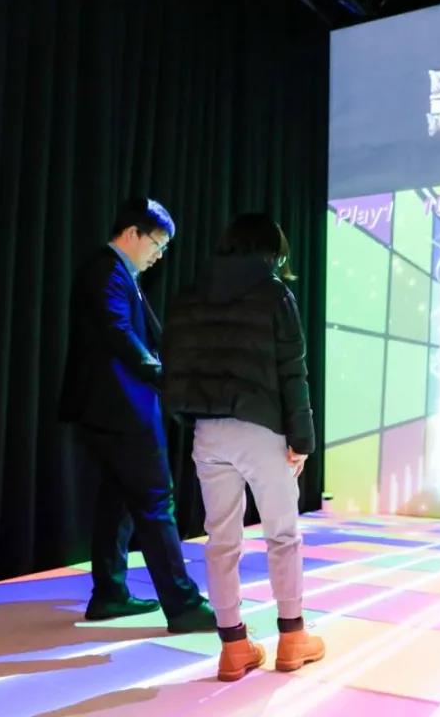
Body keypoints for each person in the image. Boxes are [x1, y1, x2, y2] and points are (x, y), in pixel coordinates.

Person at [162, 213, 324, 681]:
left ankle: (233, 647)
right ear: (271, 251)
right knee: (282, 535)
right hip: (261, 427)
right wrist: (302, 440)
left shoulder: (190, 293)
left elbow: (173, 364)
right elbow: (292, 370)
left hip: (208, 430)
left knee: (221, 541)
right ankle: (292, 638)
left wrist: (188, 414)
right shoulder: (274, 294)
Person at [59, 197, 215, 633]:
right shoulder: (108, 271)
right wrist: (163, 375)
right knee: (155, 500)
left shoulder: (115, 272)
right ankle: (183, 605)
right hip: (120, 408)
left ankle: (109, 594)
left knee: (119, 501)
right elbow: (120, 333)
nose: (159, 255)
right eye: (158, 244)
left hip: (110, 409)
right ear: (133, 234)